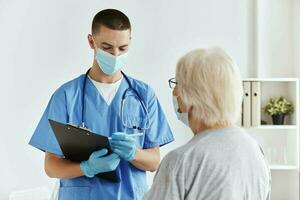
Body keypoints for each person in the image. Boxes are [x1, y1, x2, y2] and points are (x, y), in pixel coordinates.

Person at [29, 9, 174, 200]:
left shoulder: (143, 95)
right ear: (91, 41)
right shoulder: (66, 96)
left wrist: (134, 154)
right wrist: (86, 168)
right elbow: (51, 166)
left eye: (122, 48)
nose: (115, 55)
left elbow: (154, 162)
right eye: (107, 47)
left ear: (130, 41)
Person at [143, 48, 271, 200]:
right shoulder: (254, 150)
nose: (174, 93)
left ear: (192, 95)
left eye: (177, 84)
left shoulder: (181, 161)